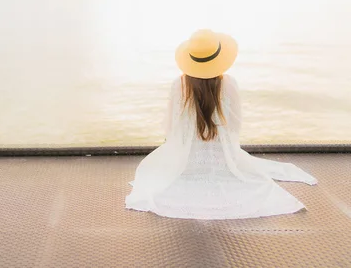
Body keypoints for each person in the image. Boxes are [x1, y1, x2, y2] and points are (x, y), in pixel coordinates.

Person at [126, 29, 317, 220]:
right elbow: (235, 125)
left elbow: (170, 126)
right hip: (223, 158)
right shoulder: (229, 83)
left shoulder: (179, 84)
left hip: (186, 165)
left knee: (154, 171)